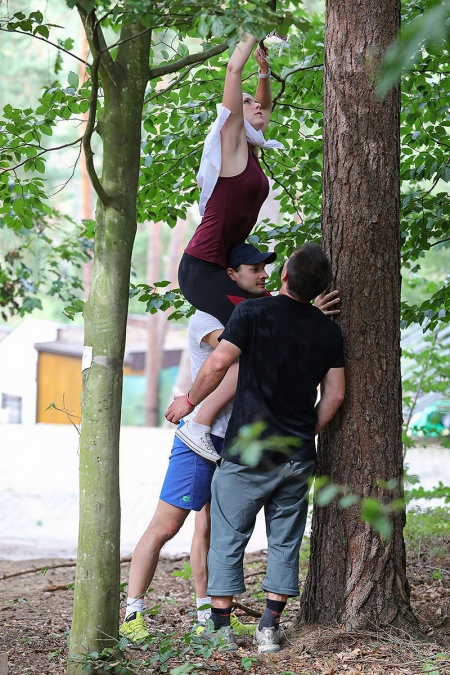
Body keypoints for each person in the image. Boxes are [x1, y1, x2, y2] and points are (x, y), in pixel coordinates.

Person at [165, 243, 346, 655]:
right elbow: (334, 397)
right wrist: (305, 433)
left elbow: (215, 365)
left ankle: (222, 628)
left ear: (283, 274)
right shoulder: (327, 329)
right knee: (285, 540)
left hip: (247, 452)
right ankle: (268, 628)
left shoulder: (250, 313)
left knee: (228, 537)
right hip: (297, 455)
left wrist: (188, 403)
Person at [119, 244, 279, 645]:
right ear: (230, 274)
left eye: (265, 269)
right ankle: (132, 614)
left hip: (230, 439)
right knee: (165, 527)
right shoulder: (208, 317)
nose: (263, 275)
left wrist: (307, 315)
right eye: (254, 268)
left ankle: (205, 614)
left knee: (209, 530)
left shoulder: (253, 309)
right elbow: (247, 351)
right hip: (197, 439)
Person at [178, 32, 284, 327]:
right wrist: (255, 23)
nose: (256, 105)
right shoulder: (230, 147)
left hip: (223, 265)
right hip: (201, 268)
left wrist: (264, 73)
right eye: (246, 102)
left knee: (275, 316)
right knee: (259, 324)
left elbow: (266, 107)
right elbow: (234, 69)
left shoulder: (249, 152)